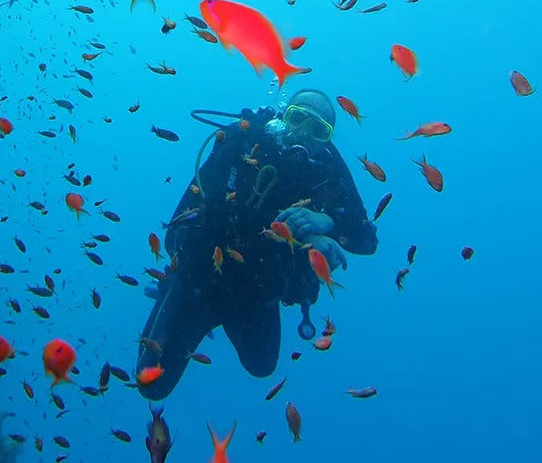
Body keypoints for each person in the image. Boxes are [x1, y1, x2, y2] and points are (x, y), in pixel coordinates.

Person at [136, 88, 377, 400]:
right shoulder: (242, 140)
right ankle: (170, 291)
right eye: (297, 117)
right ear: (281, 114)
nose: (303, 131)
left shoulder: (327, 170)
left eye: (318, 129)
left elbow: (366, 240)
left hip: (257, 291)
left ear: (325, 141)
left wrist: (327, 223)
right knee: (150, 386)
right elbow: (177, 231)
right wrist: (306, 236)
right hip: (200, 278)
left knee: (262, 365)